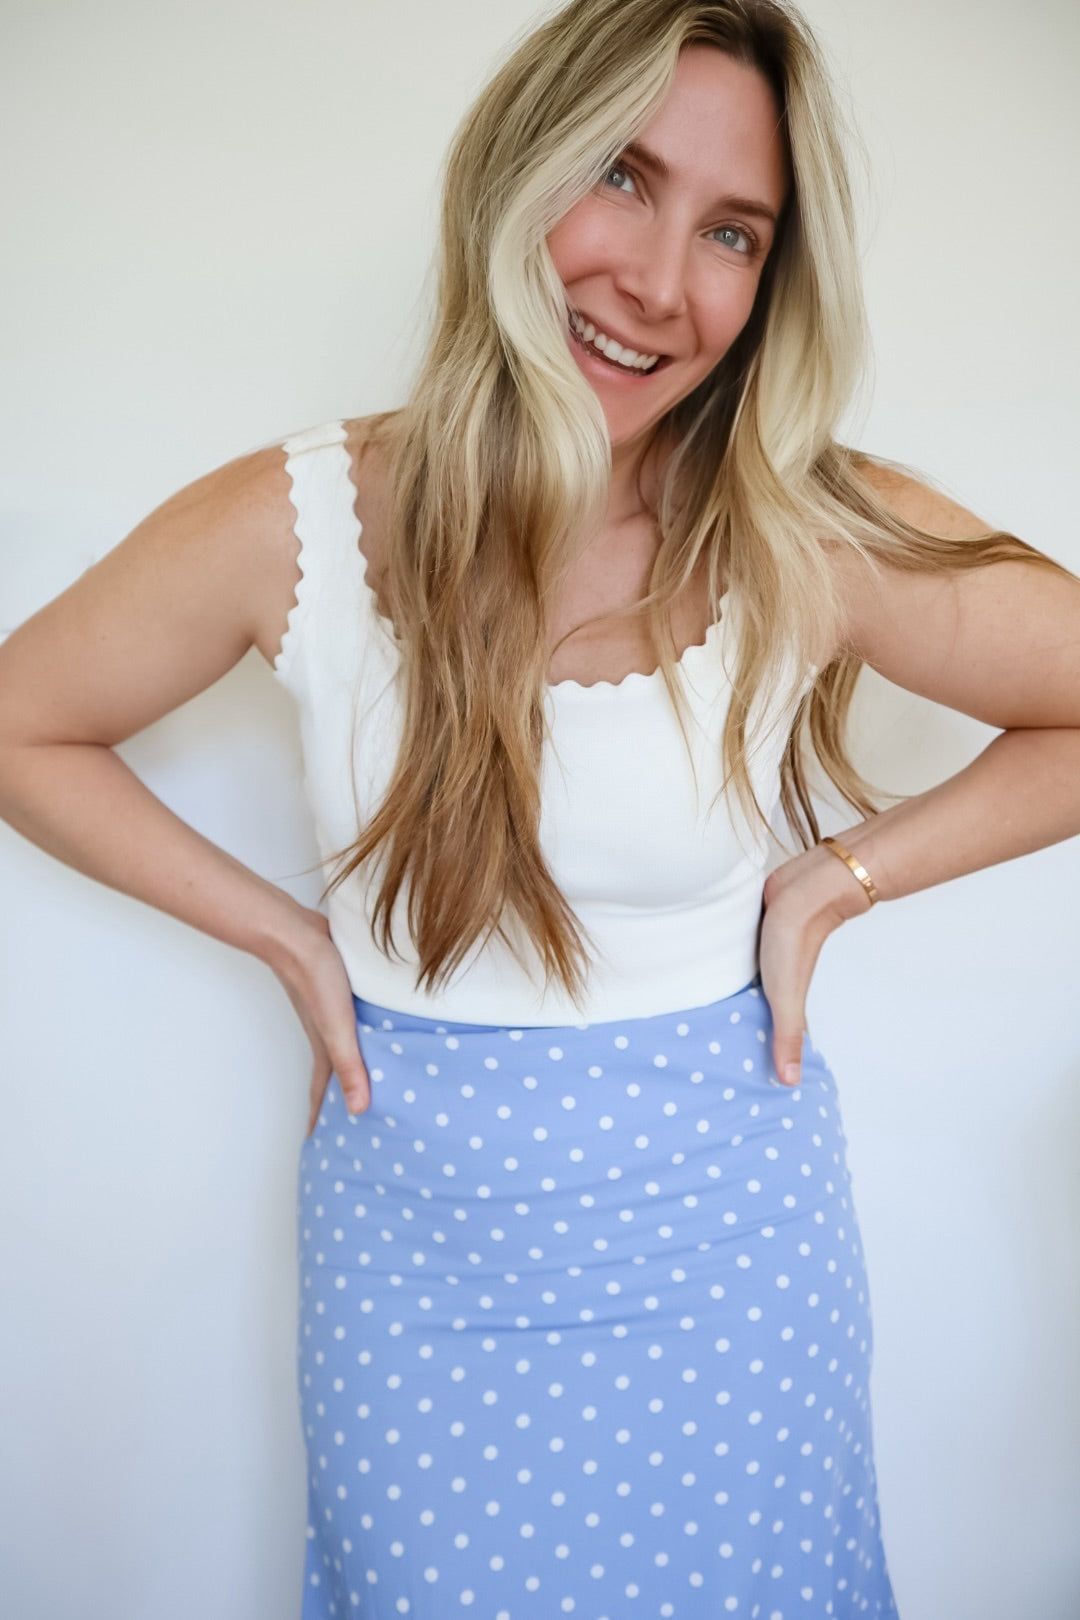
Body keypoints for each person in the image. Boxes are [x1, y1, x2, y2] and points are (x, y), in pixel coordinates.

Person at [1, 0, 1078, 1614]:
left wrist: (838, 877)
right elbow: (24, 721)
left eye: (732, 231)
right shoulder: (305, 521)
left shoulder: (801, 529)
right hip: (416, 1260)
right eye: (622, 178)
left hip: (727, 1257)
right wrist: (289, 940)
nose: (659, 282)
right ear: (518, 172)